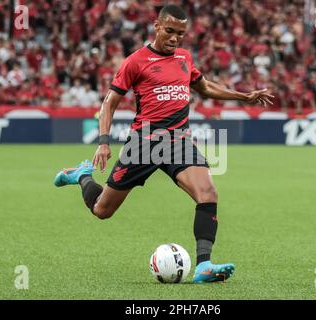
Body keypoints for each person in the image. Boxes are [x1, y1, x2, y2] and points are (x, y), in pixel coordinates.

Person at [54, 5, 274, 283]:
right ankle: (82, 175)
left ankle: (204, 265)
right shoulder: (135, 61)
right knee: (102, 210)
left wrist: (244, 97)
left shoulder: (184, 57)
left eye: (180, 34)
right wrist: (103, 142)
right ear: (157, 26)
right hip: (143, 143)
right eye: (169, 31)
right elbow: (109, 102)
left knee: (208, 193)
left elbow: (204, 86)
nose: (174, 38)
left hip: (178, 141)